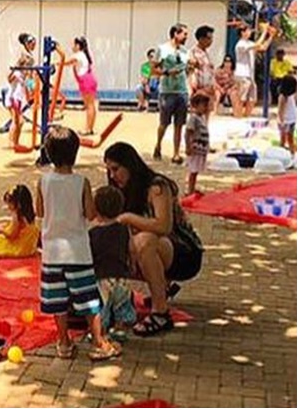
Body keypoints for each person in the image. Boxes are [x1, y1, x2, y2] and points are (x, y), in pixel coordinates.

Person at [36, 126, 119, 360]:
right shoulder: (81, 182)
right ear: (75, 152)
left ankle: (63, 343)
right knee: (88, 301)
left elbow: (39, 211)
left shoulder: (43, 182)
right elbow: (91, 213)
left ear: (49, 154)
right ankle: (99, 342)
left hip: (52, 253)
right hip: (78, 253)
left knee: (58, 302)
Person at [104, 142, 204, 337]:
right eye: (109, 171)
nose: (112, 176)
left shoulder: (157, 187)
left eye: (116, 169)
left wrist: (129, 219)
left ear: (129, 165)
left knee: (145, 241)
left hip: (186, 254)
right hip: (161, 249)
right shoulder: (121, 190)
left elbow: (163, 226)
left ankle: (160, 312)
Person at [89, 186, 136, 341]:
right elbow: (131, 249)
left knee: (102, 305)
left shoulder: (93, 233)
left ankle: (100, 331)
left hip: (102, 277)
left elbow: (91, 256)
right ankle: (120, 328)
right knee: (121, 303)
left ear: (97, 209)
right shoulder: (124, 229)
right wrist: (132, 265)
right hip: (122, 275)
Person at [154, 23, 190, 165]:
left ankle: (176, 153)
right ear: (176, 33)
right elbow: (152, 69)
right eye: (184, 34)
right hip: (167, 91)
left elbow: (186, 68)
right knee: (164, 123)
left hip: (182, 91)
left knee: (179, 124)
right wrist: (167, 72)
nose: (186, 37)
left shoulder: (184, 52)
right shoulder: (162, 50)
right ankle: (158, 144)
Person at [56, 36, 99, 136]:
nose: (72, 46)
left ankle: (88, 129)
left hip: (86, 81)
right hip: (89, 79)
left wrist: (57, 63)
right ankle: (90, 128)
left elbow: (66, 62)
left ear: (78, 46)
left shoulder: (78, 55)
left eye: (74, 44)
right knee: (91, 105)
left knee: (89, 106)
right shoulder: (83, 55)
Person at [233, 23, 276, 118]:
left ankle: (246, 116)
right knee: (241, 97)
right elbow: (258, 44)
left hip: (250, 74)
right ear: (242, 33)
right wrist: (264, 31)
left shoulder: (249, 43)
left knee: (252, 99)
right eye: (248, 30)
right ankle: (238, 117)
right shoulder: (240, 44)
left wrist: (271, 37)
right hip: (242, 74)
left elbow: (263, 47)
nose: (250, 32)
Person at [0, 184, 39, 258]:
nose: (8, 206)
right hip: (30, 247)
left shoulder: (17, 216)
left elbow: (13, 235)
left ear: (18, 204)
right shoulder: (30, 213)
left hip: (20, 249)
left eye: (10, 203)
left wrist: (1, 230)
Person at [5, 33, 35, 149]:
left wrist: (32, 89)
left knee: (19, 121)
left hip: (17, 98)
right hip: (13, 98)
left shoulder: (22, 74)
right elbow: (10, 79)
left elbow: (28, 80)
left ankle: (15, 142)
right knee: (18, 121)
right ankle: (12, 143)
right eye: (31, 43)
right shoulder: (18, 73)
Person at [185, 93, 211, 195]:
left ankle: (193, 188)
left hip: (201, 149)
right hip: (195, 148)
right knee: (193, 170)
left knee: (196, 170)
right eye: (204, 105)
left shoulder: (202, 118)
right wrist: (188, 146)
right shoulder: (193, 118)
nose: (206, 108)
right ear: (196, 106)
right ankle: (190, 190)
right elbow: (188, 133)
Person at [188, 25, 216, 118]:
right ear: (201, 39)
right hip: (199, 90)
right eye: (209, 38)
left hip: (208, 89)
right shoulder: (193, 52)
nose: (211, 41)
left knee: (206, 117)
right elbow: (191, 71)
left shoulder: (207, 53)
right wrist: (193, 88)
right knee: (197, 118)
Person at [278, 75, 297, 154]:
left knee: (284, 137)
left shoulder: (283, 96)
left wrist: (280, 120)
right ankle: (291, 152)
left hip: (286, 119)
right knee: (290, 138)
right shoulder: (290, 95)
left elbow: (280, 110)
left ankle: (283, 151)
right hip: (291, 118)